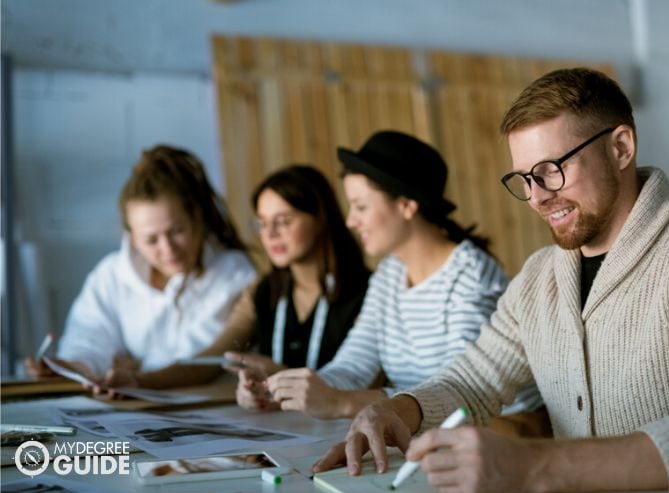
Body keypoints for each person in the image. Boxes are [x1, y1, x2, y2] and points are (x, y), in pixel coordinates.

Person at [313, 68, 669, 493]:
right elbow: (474, 382)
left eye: (552, 169)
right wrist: (398, 410)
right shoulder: (540, 275)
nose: (536, 197)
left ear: (621, 148)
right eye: (525, 178)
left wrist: (531, 466)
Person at [254, 130, 543, 420]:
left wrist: (342, 402)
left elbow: (458, 393)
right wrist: (282, 389)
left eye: (361, 206)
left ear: (406, 205)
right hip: (427, 434)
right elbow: (354, 366)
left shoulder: (471, 276)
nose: (350, 221)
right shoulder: (389, 274)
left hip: (504, 436)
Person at [105, 165, 371, 393]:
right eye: (263, 223)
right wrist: (139, 381)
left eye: (284, 221)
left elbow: (365, 380)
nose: (270, 234)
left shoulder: (368, 292)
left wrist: (282, 376)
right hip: (283, 431)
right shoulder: (263, 290)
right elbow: (213, 359)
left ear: (321, 219)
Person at [25, 145, 256, 392]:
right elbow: (89, 337)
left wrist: (134, 369)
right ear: (132, 238)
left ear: (196, 219)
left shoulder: (234, 274)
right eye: (151, 240)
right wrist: (73, 367)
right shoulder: (112, 275)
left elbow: (201, 360)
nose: (168, 249)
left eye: (176, 232)